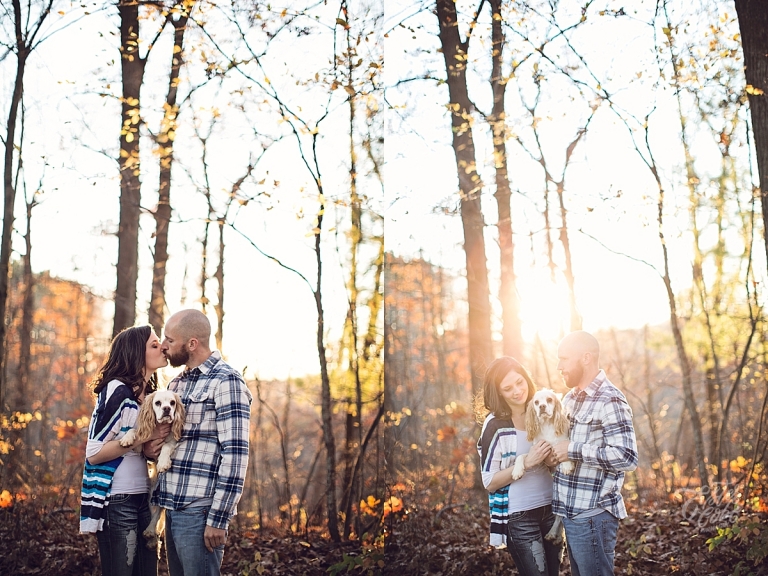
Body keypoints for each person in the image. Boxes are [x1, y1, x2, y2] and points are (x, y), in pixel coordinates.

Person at [144, 309, 252, 576]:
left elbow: (235, 454)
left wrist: (218, 518)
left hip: (200, 512)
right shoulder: (178, 384)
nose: (164, 345)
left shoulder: (227, 381)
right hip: (171, 506)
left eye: (170, 339)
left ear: (192, 344)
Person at [80, 324, 168, 576]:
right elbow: (94, 453)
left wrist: (154, 446)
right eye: (154, 345)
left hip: (144, 499)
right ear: (134, 353)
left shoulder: (150, 396)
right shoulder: (116, 389)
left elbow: (144, 451)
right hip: (117, 500)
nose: (162, 347)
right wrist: (145, 436)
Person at [551, 330, 638, 576]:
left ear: (586, 358)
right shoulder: (570, 399)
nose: (559, 366)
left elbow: (627, 456)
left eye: (564, 358)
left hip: (593, 516)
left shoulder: (609, 400)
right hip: (571, 514)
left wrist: (573, 450)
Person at [475, 357, 563, 576]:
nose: (517, 391)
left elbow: (554, 460)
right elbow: (489, 481)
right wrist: (527, 462)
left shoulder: (543, 409)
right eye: (507, 388)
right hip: (519, 518)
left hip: (552, 510)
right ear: (499, 393)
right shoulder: (495, 425)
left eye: (520, 382)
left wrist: (551, 462)